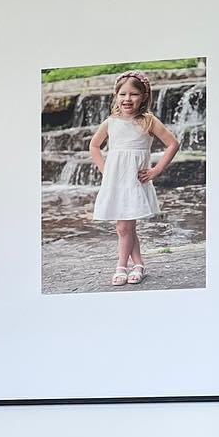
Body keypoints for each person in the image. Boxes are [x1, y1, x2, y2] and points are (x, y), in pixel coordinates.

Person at [89, 72, 180, 285]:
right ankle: (138, 265)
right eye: (122, 94)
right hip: (116, 180)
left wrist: (156, 170)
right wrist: (105, 169)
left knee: (123, 227)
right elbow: (94, 145)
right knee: (126, 226)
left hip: (134, 182)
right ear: (116, 95)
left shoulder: (148, 121)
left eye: (134, 94)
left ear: (144, 96)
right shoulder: (111, 122)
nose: (127, 99)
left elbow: (173, 144)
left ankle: (121, 266)